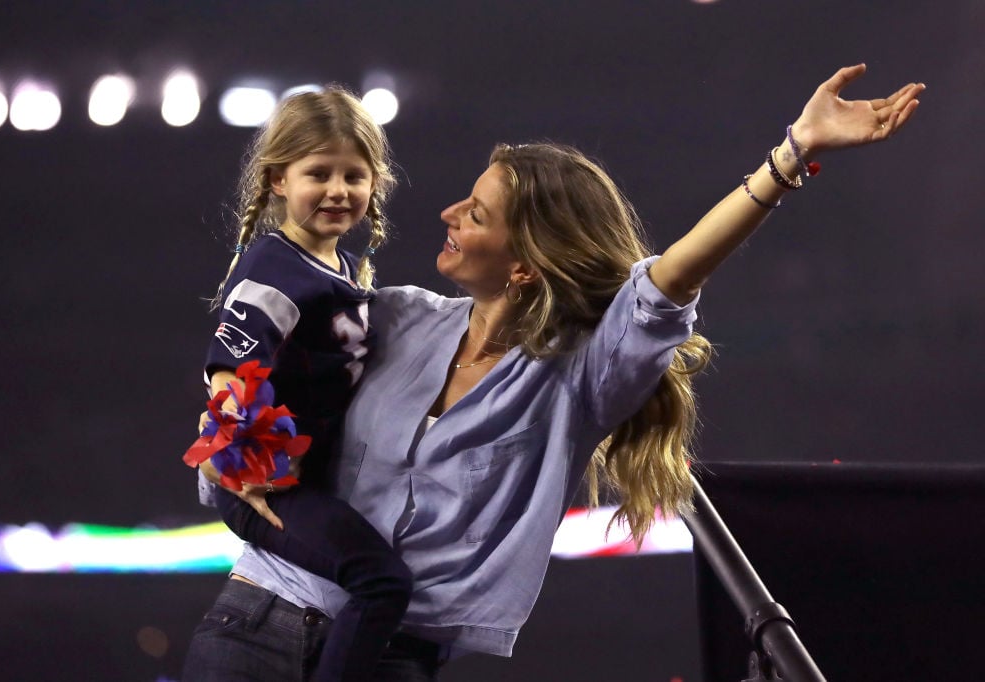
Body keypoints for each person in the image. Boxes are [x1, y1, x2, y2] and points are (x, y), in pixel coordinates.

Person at [184, 65, 925, 681]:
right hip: (253, 622)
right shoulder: (398, 316)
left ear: (525, 264)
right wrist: (229, 435)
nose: (447, 213)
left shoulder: (573, 379)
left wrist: (790, 156)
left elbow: (667, 284)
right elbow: (257, 354)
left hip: (386, 657)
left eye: (474, 212)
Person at [182, 87, 415, 682]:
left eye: (354, 175)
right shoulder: (277, 270)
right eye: (319, 173)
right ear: (279, 179)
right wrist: (239, 471)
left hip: (305, 481)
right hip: (268, 489)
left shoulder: (334, 267)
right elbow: (227, 374)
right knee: (382, 581)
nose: (338, 190)